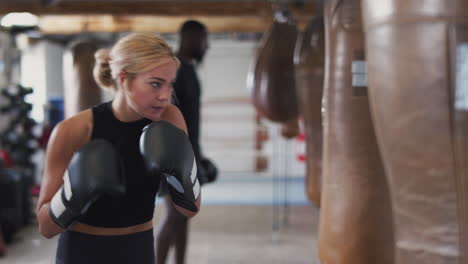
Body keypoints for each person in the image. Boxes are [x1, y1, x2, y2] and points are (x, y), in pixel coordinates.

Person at [35, 33, 201, 264]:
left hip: (138, 249)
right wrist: (72, 196)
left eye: (169, 84)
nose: (165, 96)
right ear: (124, 79)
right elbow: (45, 227)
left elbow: (190, 208)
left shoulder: (169, 119)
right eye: (155, 83)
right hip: (81, 252)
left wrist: (181, 176)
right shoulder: (73, 130)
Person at [155, 20, 217, 264]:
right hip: (173, 158)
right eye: (203, 39)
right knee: (173, 217)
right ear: (188, 37)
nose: (206, 45)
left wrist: (197, 157)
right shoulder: (175, 72)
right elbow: (165, 117)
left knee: (183, 215)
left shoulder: (189, 70)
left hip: (188, 156)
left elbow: (189, 121)